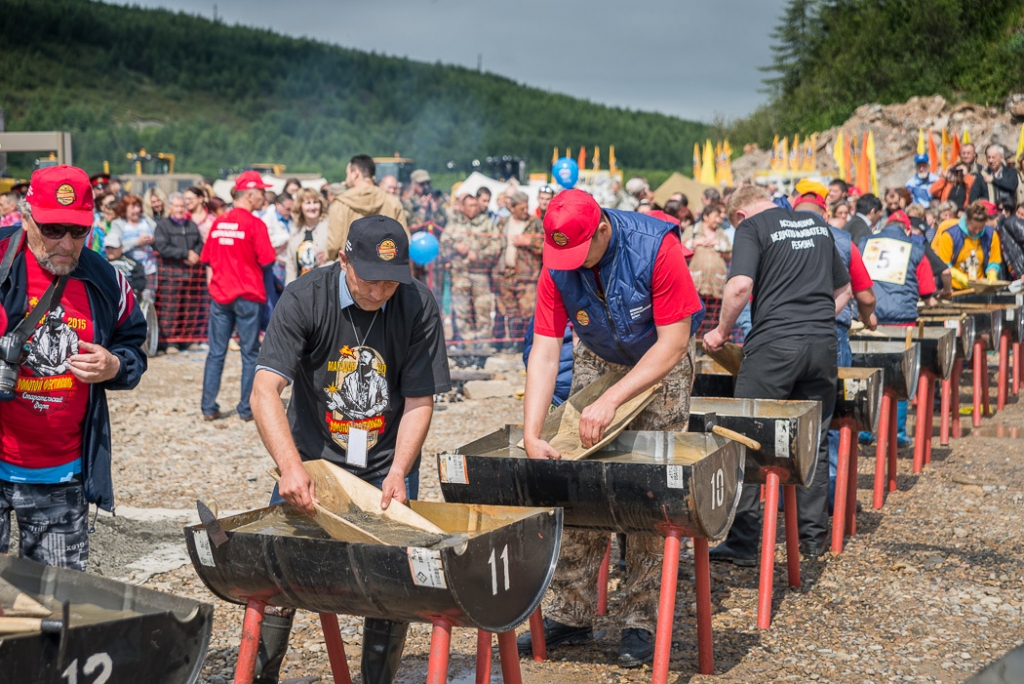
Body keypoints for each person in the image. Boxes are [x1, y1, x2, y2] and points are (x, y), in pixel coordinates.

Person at [250, 215, 451, 684]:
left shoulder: (418, 304)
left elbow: (420, 399)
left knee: (390, 578)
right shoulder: (304, 297)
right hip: (313, 459)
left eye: (391, 282)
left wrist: (401, 469)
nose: (380, 292)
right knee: (279, 570)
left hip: (385, 463)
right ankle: (262, 675)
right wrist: (290, 467)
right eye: (370, 280)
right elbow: (264, 391)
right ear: (344, 260)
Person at [517, 189, 703, 668]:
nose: (572, 264)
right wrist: (533, 430)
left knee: (647, 486)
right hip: (597, 355)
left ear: (602, 229)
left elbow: (675, 343)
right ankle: (570, 612)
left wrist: (612, 400)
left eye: (582, 253)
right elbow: (543, 349)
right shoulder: (558, 261)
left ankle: (641, 618)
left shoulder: (655, 247)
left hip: (659, 362)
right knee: (578, 478)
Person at [0, 165, 147, 570]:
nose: (66, 243)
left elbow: (134, 348)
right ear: (26, 217)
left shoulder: (105, 280)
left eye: (78, 231)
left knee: (57, 608)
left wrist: (114, 364)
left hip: (61, 474)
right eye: (53, 230)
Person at [704, 185, 852, 563]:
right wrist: (815, 320)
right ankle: (811, 540)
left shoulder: (751, 228)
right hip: (822, 345)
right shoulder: (816, 224)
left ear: (739, 214)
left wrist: (721, 332)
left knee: (745, 438)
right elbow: (845, 290)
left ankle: (743, 542)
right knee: (812, 441)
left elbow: (739, 286)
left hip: (773, 346)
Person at [792, 184, 876, 508]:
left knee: (795, 416)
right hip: (831, 333)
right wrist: (869, 318)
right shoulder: (842, 241)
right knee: (831, 421)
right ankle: (832, 497)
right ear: (826, 212)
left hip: (786, 335)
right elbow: (865, 294)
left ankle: (794, 495)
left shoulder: (777, 237)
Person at [200, 171, 277, 422]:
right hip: (248, 295)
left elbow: (207, 257)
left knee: (216, 352)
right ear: (251, 195)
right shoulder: (255, 224)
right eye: (262, 192)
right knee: (250, 353)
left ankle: (208, 407)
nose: (264, 196)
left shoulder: (220, 222)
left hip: (221, 296)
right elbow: (268, 259)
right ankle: (246, 409)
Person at [857, 210, 936, 448]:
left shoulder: (864, 243)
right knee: (901, 376)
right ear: (907, 229)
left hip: (871, 318)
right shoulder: (915, 248)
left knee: (867, 374)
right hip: (902, 321)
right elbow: (926, 289)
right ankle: (897, 433)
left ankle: (866, 429)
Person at [439, 193, 501, 346]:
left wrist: (479, 255)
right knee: (461, 310)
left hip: (480, 274)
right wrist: (455, 246)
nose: (474, 209)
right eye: (470, 206)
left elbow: (496, 246)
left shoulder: (486, 223)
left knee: (483, 310)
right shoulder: (454, 223)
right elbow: (443, 245)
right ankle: (466, 343)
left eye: (475, 206)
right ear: (463, 207)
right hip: (459, 274)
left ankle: (483, 343)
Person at [327, 155, 407, 261]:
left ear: (355, 173)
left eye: (347, 174)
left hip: (351, 270)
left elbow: (334, 245)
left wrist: (327, 256)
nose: (346, 179)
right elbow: (404, 239)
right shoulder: (392, 202)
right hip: (385, 269)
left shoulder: (339, 204)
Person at [154, 193, 205, 351]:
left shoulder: (191, 225)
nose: (180, 209)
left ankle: (188, 340)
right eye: (176, 206)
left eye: (182, 206)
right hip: (171, 275)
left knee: (190, 308)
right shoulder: (163, 225)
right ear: (169, 207)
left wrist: (194, 254)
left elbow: (199, 242)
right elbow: (162, 247)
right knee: (171, 309)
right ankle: (170, 341)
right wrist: (185, 254)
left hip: (190, 275)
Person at [494, 191, 543, 348]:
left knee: (526, 311)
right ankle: (512, 342)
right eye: (521, 208)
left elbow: (546, 246)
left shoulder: (535, 223)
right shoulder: (502, 223)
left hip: (527, 275)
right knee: (509, 310)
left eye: (526, 207)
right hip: (506, 273)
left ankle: (524, 342)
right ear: (512, 208)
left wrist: (529, 242)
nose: (525, 211)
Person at [681, 204, 731, 337]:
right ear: (705, 216)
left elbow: (730, 251)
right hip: (697, 282)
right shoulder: (692, 230)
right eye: (715, 217)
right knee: (696, 314)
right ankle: (695, 345)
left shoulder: (721, 232)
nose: (718, 220)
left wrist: (718, 244)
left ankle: (707, 346)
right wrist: (695, 242)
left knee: (713, 316)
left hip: (716, 282)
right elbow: (680, 247)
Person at [933, 199, 1003, 290]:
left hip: (980, 287)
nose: (977, 231)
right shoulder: (949, 235)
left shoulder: (991, 235)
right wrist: (959, 277)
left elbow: (994, 261)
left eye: (980, 228)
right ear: (966, 220)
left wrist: (992, 274)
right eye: (974, 228)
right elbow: (944, 264)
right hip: (953, 288)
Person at [108, 194, 158, 283]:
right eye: (133, 207)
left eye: (138, 206)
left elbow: (159, 235)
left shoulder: (146, 220)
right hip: (129, 271)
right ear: (125, 208)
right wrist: (137, 242)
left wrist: (153, 240)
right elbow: (115, 247)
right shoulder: (118, 224)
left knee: (148, 296)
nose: (137, 210)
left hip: (149, 269)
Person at [285, 187, 328, 284]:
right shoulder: (295, 231)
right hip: (301, 289)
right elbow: (291, 265)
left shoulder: (330, 227)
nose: (312, 207)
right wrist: (289, 289)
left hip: (324, 286)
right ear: (300, 206)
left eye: (315, 202)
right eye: (308, 203)